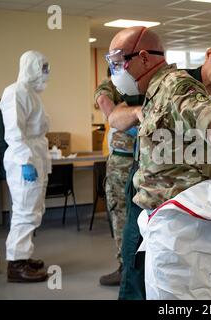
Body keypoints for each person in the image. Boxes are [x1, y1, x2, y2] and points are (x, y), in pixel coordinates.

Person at [107, 26, 211, 299]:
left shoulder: (175, 87)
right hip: (161, 217)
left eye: (120, 63)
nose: (117, 71)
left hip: (179, 226)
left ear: (145, 58)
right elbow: (115, 116)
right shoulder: (156, 90)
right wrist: (139, 113)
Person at [0, 50, 51, 282]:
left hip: (36, 156)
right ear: (31, 67)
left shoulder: (31, 94)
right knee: (24, 211)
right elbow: (13, 131)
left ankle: (24, 255)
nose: (46, 73)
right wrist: (24, 161)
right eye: (42, 67)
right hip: (25, 160)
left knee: (34, 210)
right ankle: (16, 265)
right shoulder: (15, 92)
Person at [93, 70, 142, 286]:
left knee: (122, 213)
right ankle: (134, 267)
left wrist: (122, 120)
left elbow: (103, 100)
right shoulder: (142, 82)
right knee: (138, 214)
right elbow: (103, 100)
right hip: (143, 158)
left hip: (126, 160)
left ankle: (127, 269)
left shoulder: (116, 83)